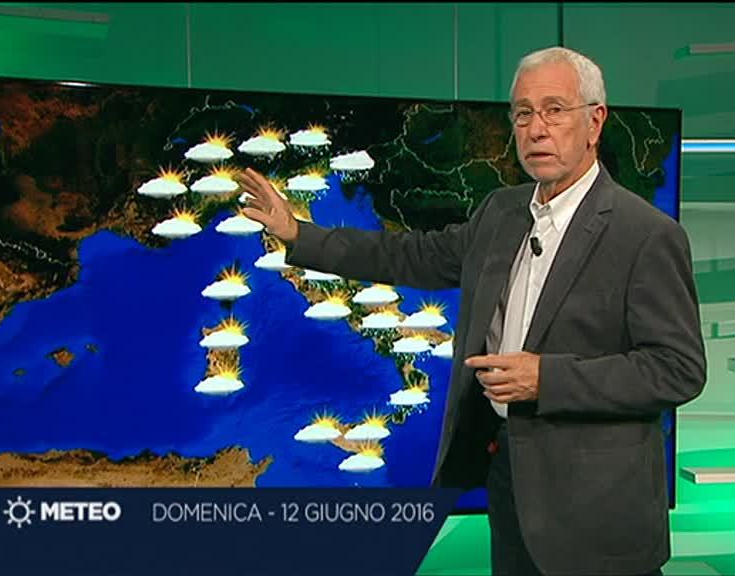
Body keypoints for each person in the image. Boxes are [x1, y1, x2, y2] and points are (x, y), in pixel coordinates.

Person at [239, 46, 707, 576]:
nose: (536, 129)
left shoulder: (645, 235)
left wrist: (546, 378)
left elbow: (678, 369)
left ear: (595, 122)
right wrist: (299, 234)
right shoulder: (501, 213)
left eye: (554, 110)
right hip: (511, 491)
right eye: (523, 113)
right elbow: (408, 255)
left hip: (599, 514)